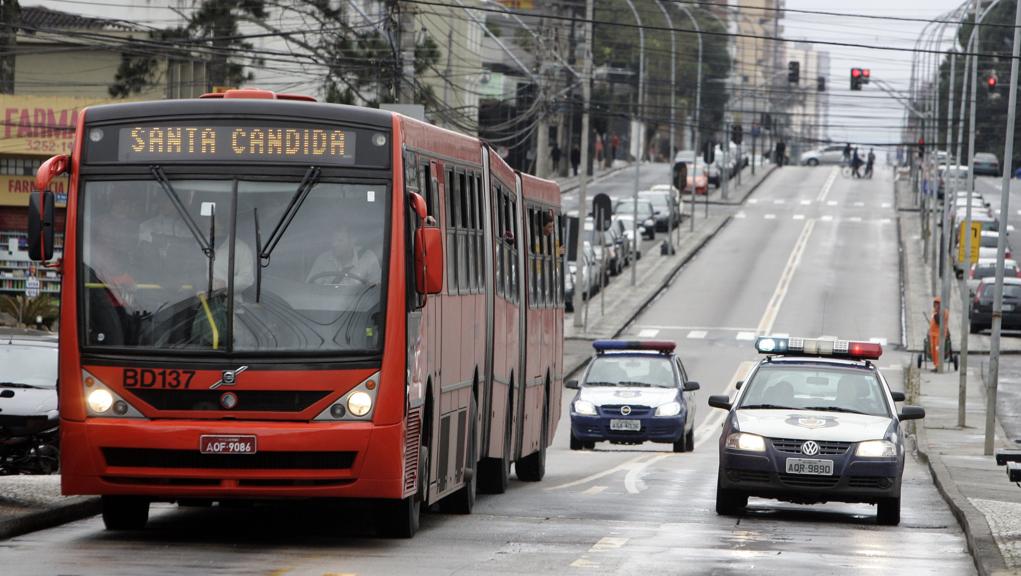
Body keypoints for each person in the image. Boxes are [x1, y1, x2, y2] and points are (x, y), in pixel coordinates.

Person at [307, 227, 381, 285]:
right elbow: (310, 288)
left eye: (340, 240)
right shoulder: (322, 260)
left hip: (359, 300)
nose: (334, 244)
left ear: (352, 241)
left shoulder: (368, 258)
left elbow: (376, 289)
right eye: (333, 240)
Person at [928, 296, 951, 371]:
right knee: (933, 351)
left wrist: (936, 313)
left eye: (937, 304)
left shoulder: (944, 312)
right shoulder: (934, 311)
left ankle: (938, 366)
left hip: (939, 335)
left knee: (937, 350)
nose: (936, 305)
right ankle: (936, 365)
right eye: (935, 304)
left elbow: (939, 321)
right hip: (933, 334)